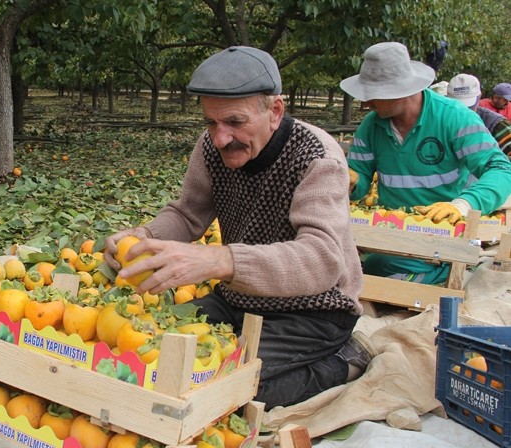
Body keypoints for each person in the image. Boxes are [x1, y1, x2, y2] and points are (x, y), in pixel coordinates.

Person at [103, 46, 370, 410]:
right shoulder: (211, 149)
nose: (220, 137)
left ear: (274, 111)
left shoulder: (316, 157)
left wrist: (218, 260)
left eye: (234, 122)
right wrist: (144, 236)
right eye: (211, 122)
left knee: (230, 391)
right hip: (239, 298)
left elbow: (322, 260)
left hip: (313, 311)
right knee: (157, 355)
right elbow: (188, 214)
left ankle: (343, 363)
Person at [341, 42, 511, 284]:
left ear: (400, 91)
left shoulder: (455, 117)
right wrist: (352, 179)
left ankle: (445, 270)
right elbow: (361, 178)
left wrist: (463, 205)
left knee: (377, 266)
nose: (367, 103)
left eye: (373, 95)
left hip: (444, 234)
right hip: (392, 233)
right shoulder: (371, 126)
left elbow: (501, 169)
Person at [447, 73, 511, 159]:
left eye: (469, 106)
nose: (464, 110)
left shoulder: (497, 124)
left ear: (479, 97)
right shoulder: (439, 120)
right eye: (457, 105)